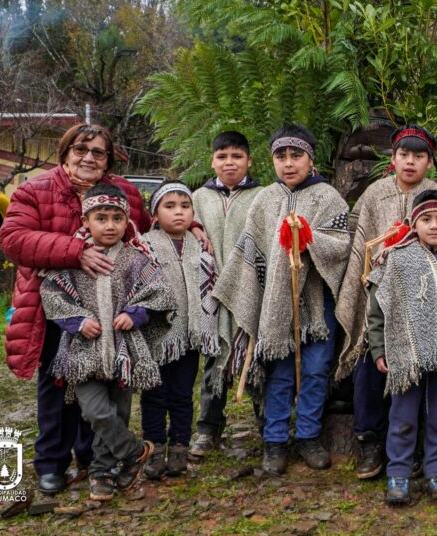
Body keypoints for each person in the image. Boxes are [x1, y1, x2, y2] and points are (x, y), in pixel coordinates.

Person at [0, 123, 158, 496]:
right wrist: (75, 251)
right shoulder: (35, 190)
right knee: (57, 386)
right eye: (80, 150)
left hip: (110, 309)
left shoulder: (127, 195)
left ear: (108, 158)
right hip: (54, 307)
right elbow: (13, 239)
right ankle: (52, 463)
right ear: (65, 152)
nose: (88, 157)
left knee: (101, 381)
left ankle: (93, 458)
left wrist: (192, 226)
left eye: (98, 151)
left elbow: (148, 233)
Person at [213, 124, 351, 474]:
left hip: (318, 307)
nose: (289, 163)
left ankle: (308, 436)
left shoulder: (328, 197)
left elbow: (342, 245)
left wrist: (310, 238)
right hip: (275, 306)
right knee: (280, 373)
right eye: (281, 156)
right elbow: (251, 247)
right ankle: (274, 442)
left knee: (316, 371)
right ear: (272, 160)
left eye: (296, 156)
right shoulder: (265, 199)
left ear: (310, 158)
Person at [334, 124, 437, 480]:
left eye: (419, 156)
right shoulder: (375, 194)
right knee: (371, 366)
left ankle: (415, 449)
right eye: (404, 154)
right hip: (381, 298)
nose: (410, 162)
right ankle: (370, 441)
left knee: (420, 376)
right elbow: (360, 239)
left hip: (422, 306)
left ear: (430, 162)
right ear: (393, 157)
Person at [39, 183, 175, 501]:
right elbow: (53, 295)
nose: (110, 225)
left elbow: (160, 291)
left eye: (117, 218)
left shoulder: (134, 259)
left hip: (124, 352)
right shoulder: (73, 261)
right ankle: (136, 450)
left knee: (119, 410)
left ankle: (102, 474)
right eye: (101, 217)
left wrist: (135, 313)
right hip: (84, 353)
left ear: (126, 221)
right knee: (96, 412)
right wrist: (78, 321)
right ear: (86, 220)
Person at [366, 190, 437, 505]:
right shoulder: (397, 257)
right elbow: (378, 305)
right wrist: (378, 348)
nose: (434, 226)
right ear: (414, 222)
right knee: (403, 415)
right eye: (426, 219)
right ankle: (398, 472)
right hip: (405, 355)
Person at [189, 131, 262, 459]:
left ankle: (267, 426)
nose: (229, 163)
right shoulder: (197, 198)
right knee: (215, 357)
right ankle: (208, 426)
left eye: (236, 156)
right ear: (212, 161)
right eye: (222, 156)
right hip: (212, 291)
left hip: (252, 289)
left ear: (249, 160)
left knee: (257, 358)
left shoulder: (263, 195)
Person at [140, 181, 220, 479]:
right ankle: (154, 447)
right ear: (155, 212)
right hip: (157, 337)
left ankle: (179, 447)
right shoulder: (145, 244)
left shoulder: (199, 243)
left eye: (185, 207)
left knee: (183, 394)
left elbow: (209, 281)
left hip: (190, 336)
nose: (178, 213)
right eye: (170, 207)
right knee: (154, 394)